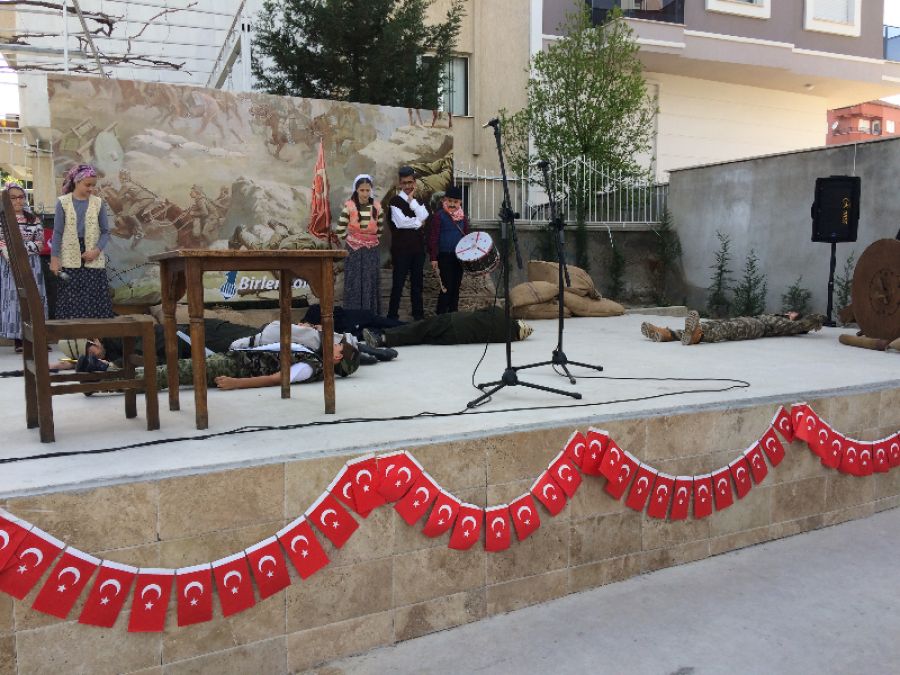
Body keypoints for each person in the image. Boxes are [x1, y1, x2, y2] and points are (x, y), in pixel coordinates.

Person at [150, 329, 360, 391]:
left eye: (338, 345)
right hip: (236, 358)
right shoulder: (315, 356)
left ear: (337, 356)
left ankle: (136, 382)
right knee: (177, 369)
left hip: (236, 368)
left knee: (177, 372)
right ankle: (137, 379)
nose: (334, 343)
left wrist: (236, 383)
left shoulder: (312, 367)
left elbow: (276, 379)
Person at [50, 163, 114, 320]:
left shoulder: (98, 203)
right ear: (76, 181)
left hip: (92, 255)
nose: (91, 188)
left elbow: (105, 232)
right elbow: (57, 233)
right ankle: (73, 335)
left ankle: (96, 334)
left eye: (93, 185)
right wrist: (54, 259)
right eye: (87, 185)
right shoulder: (63, 203)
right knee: (72, 298)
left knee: (94, 298)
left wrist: (96, 251)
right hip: (70, 255)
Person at [0, 183, 48, 351]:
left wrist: (20, 248)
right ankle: (19, 340)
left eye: (21, 197)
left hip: (32, 265)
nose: (18, 201)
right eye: (13, 198)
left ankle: (38, 337)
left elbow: (40, 243)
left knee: (35, 298)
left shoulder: (33, 219)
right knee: (15, 300)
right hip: (11, 265)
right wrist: (13, 252)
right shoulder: (2, 220)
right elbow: (2, 243)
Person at [362, 306, 532, 348]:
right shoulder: (504, 338)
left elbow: (481, 310)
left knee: (419, 328)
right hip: (454, 339)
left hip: (453, 321)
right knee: (420, 336)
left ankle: (382, 338)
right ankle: (384, 340)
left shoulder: (500, 314)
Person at [640, 310, 826, 345]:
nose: (789, 312)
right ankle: (667, 334)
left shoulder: (788, 324)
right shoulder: (779, 316)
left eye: (793, 313)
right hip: (749, 320)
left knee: (726, 329)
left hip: (758, 327)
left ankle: (698, 336)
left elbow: (808, 322)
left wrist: (815, 319)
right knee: (715, 323)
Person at [387, 166, 429, 321]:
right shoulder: (394, 202)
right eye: (404, 183)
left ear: (414, 182)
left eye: (410, 182)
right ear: (400, 183)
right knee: (398, 285)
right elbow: (401, 223)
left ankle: (418, 317)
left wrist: (413, 202)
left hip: (418, 250)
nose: (407, 186)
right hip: (401, 251)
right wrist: (418, 223)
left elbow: (425, 216)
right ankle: (392, 317)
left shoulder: (419, 201)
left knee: (417, 285)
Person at [336, 174, 382, 313]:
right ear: (356, 190)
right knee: (354, 281)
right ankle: (353, 315)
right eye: (362, 190)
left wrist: (369, 240)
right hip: (354, 251)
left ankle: (370, 314)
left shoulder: (377, 207)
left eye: (367, 190)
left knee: (370, 281)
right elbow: (340, 230)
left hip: (371, 250)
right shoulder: (349, 206)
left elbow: (380, 230)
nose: (365, 193)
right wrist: (353, 240)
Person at [427, 185, 469, 314]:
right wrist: (433, 257)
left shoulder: (463, 218)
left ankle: (453, 315)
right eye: (449, 201)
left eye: (455, 202)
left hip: (459, 258)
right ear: (444, 200)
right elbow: (433, 237)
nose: (452, 204)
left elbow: (466, 238)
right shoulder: (439, 216)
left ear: (460, 202)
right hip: (444, 256)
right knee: (447, 287)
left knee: (456, 287)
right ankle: (441, 316)